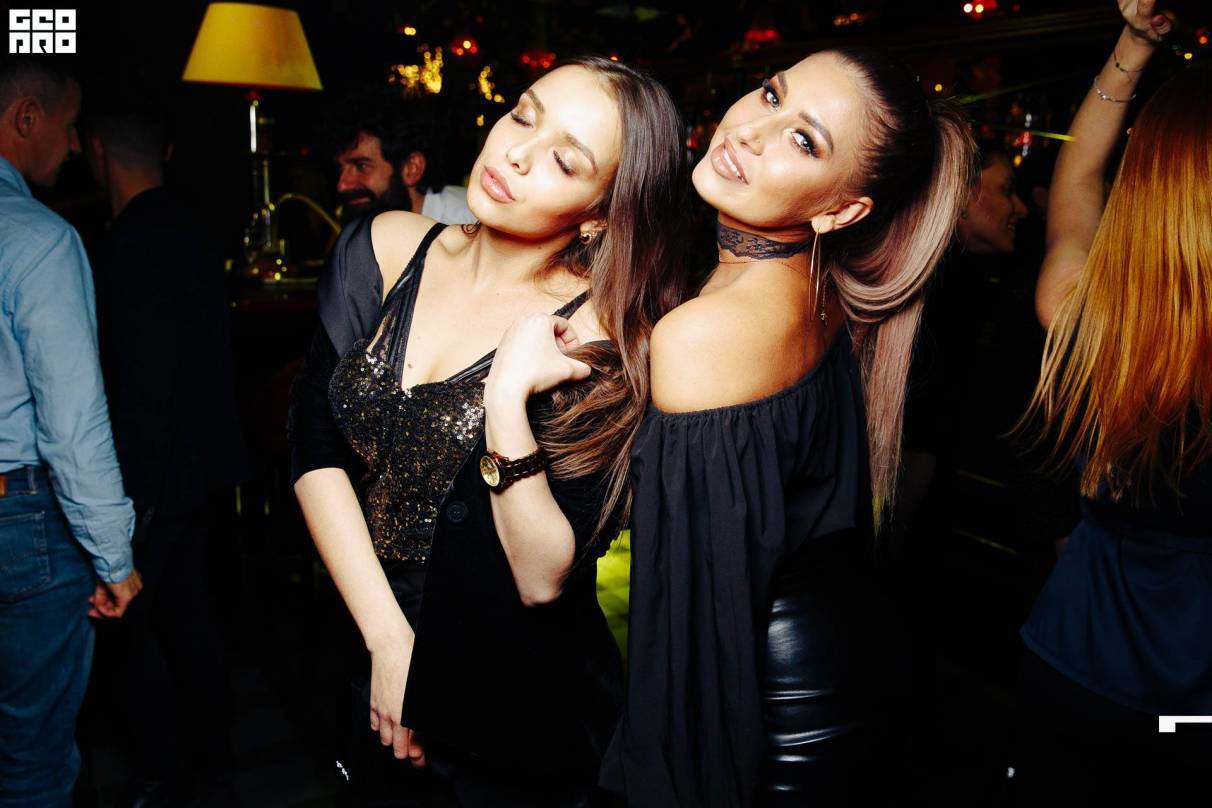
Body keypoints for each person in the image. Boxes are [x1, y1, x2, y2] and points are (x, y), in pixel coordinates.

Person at [289, 56, 689, 804]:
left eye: (565, 161)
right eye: (523, 116)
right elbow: (315, 448)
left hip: (511, 706)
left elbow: (542, 578)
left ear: (601, 213)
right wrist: (387, 638)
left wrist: (507, 402)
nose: (516, 153)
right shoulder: (382, 247)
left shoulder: (604, 338)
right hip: (365, 638)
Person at [601, 47, 977, 806]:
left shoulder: (711, 332)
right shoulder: (809, 285)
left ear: (841, 211)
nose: (751, 130)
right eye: (772, 96)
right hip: (829, 679)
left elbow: (690, 648)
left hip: (764, 725)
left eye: (804, 140)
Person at [1015, 2, 1211, 802]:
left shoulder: (1090, 319)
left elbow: (1075, 185)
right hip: (1193, 712)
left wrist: (1135, 43)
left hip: (1070, 671)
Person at [81, 95, 248, 805]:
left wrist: (132, 503)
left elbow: (144, 384)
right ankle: (208, 764)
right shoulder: (192, 229)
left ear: (96, 153)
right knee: (190, 620)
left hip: (156, 473)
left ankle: (167, 773)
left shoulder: (130, 244)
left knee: (146, 629)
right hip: (202, 466)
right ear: (167, 153)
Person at [0, 56, 141, 807]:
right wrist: (113, 557)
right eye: (68, 123)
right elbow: (71, 421)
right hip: (18, 520)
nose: (75, 143)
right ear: (27, 117)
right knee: (30, 763)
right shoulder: (36, 238)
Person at [330, 89, 476, 224]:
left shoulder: (469, 223)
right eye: (340, 168)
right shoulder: (360, 225)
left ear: (412, 168)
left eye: (361, 166)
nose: (342, 185)